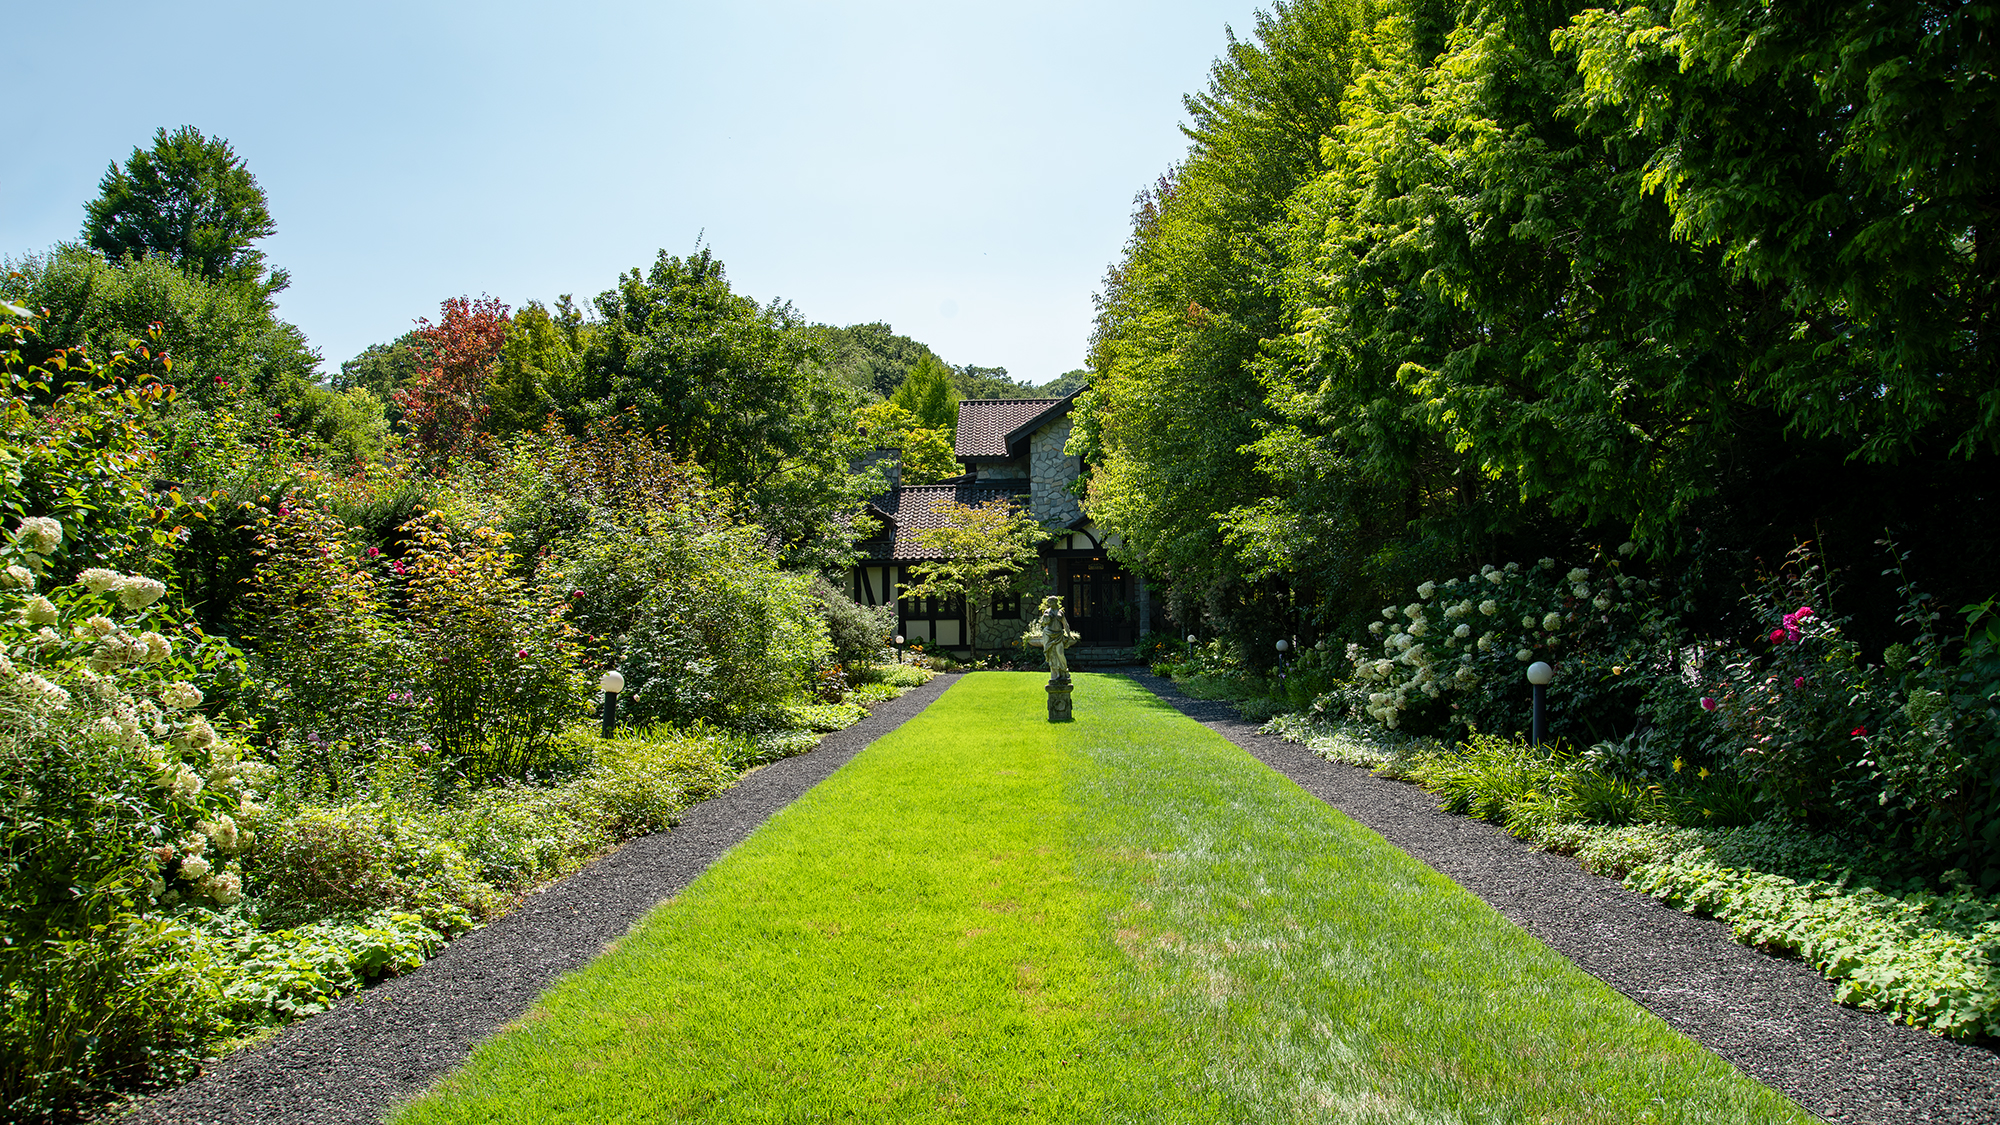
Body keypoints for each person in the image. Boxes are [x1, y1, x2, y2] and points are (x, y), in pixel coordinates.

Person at [1024, 594, 1080, 681]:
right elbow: (1042, 623)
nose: (1050, 604)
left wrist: (1069, 636)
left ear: (1055, 602)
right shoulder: (1047, 612)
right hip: (1048, 635)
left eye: (1052, 602)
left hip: (1058, 635)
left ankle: (1064, 670)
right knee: (1052, 654)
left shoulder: (1060, 612)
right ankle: (1055, 674)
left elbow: (1065, 624)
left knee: (1060, 653)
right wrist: (1046, 619)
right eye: (1049, 602)